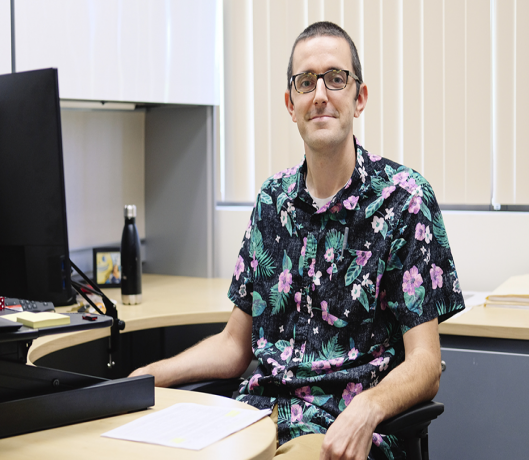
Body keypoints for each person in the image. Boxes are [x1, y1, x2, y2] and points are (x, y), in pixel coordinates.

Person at [130, 21, 464, 460]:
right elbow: (235, 345)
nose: (320, 94)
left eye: (335, 78)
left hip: (343, 430)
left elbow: (425, 364)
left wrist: (368, 407)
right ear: (291, 104)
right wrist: (148, 376)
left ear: (359, 97)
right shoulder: (273, 200)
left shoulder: (404, 199)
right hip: (255, 417)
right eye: (306, 82)